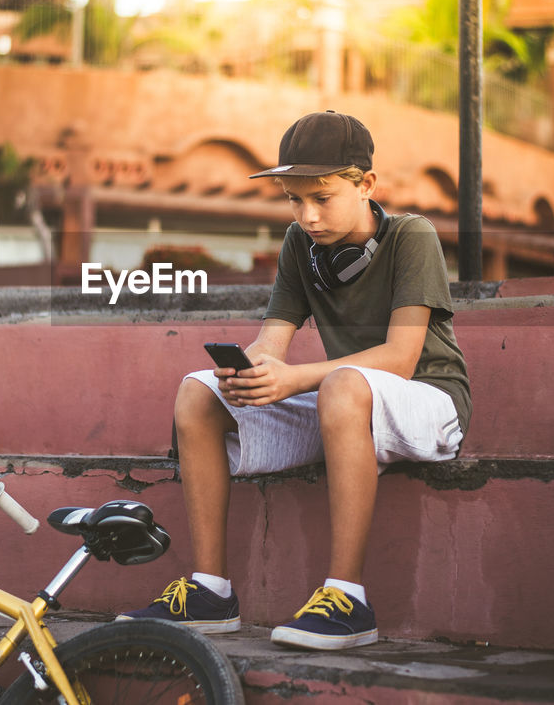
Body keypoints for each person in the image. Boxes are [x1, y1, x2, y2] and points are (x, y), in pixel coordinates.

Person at [119, 110, 471, 650]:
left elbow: (401, 359)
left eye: (322, 197)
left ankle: (348, 599)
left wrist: (296, 379)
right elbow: (271, 344)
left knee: (342, 384)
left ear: (365, 185)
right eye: (293, 199)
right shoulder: (299, 245)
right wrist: (252, 375)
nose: (307, 215)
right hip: (346, 403)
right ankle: (210, 591)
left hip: (429, 404)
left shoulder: (412, 236)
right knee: (198, 392)